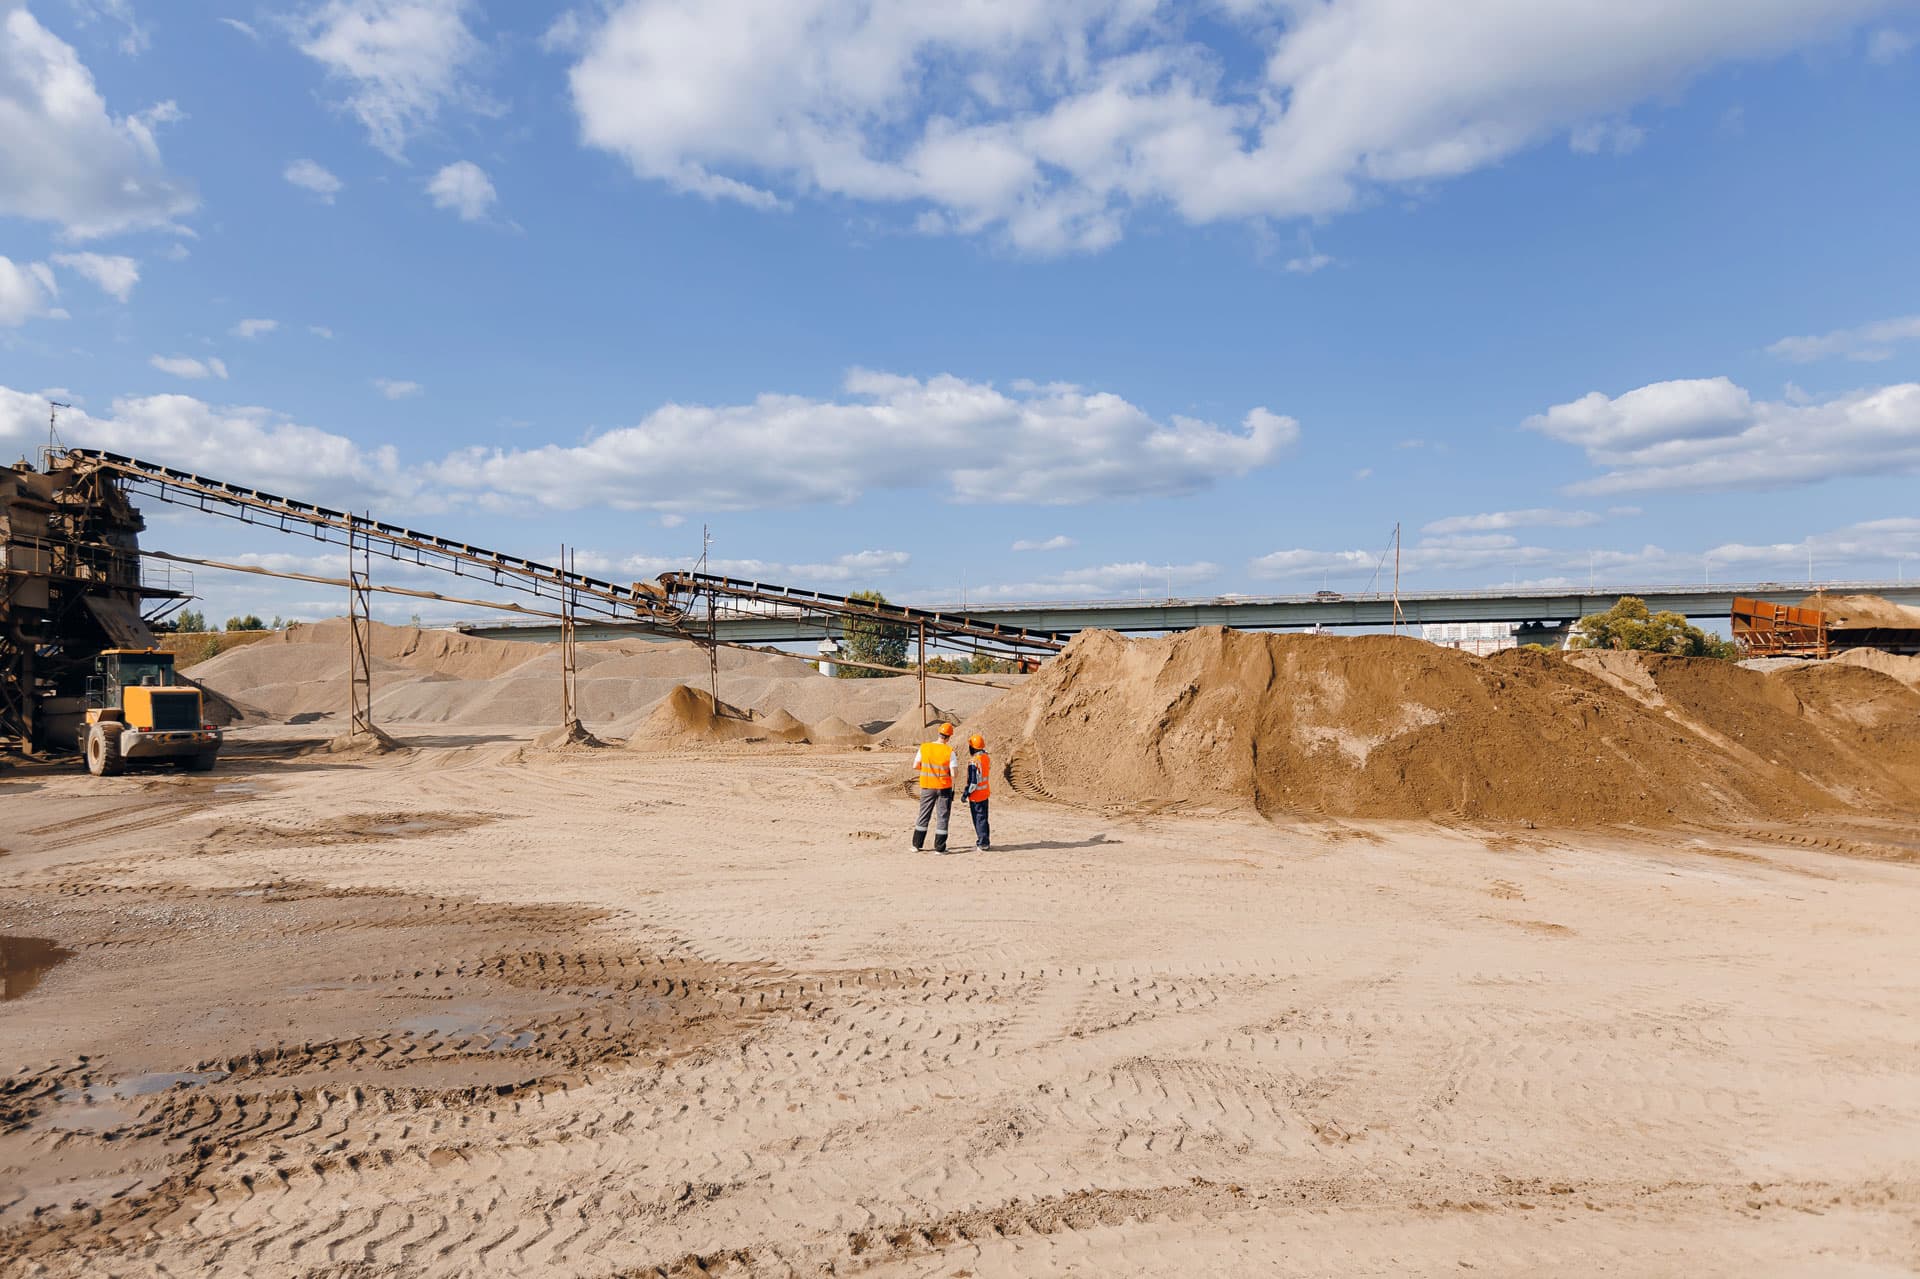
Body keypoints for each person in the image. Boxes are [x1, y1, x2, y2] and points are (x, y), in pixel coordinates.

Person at [911, 721, 957, 853]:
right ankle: (939, 848)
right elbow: (954, 773)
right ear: (949, 737)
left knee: (924, 814)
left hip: (927, 786)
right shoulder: (949, 751)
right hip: (944, 788)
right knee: (942, 816)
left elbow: (915, 766)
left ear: (939, 733)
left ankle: (916, 844)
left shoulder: (924, 747)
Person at [964, 732, 991, 851]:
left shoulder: (974, 762)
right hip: (985, 793)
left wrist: (965, 794)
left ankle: (983, 842)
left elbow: (973, 783)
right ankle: (985, 840)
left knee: (979, 819)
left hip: (976, 796)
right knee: (984, 818)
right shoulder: (985, 757)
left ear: (972, 747)